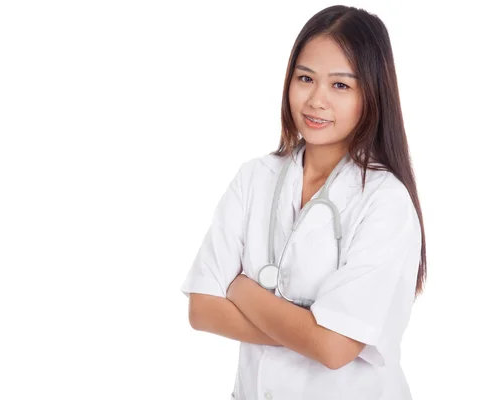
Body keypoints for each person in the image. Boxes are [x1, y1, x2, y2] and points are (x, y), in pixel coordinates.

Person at [180, 5, 427, 400]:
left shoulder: (386, 203)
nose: (316, 100)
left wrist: (241, 288)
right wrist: (312, 331)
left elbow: (333, 350)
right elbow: (202, 310)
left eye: (341, 85)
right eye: (305, 78)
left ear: (373, 94)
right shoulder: (254, 178)